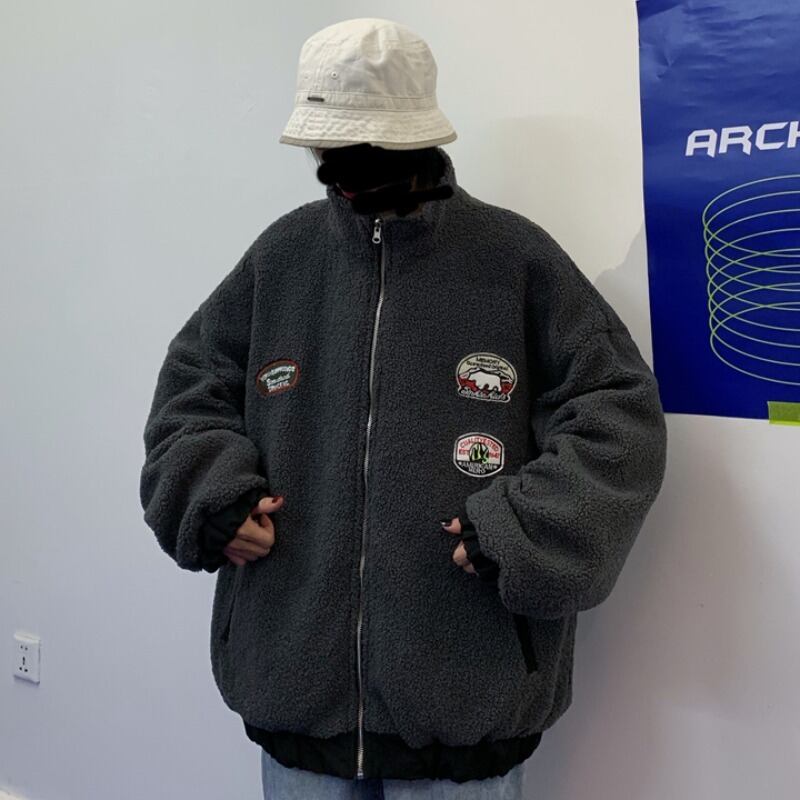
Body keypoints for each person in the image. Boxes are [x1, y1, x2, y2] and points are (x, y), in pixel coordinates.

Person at [138, 17, 668, 800]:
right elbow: (190, 390)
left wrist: (520, 531)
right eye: (332, 149)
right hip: (296, 697)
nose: (344, 171)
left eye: (366, 148)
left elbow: (619, 415)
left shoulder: (514, 260)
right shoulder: (282, 259)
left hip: (467, 706)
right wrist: (210, 495)